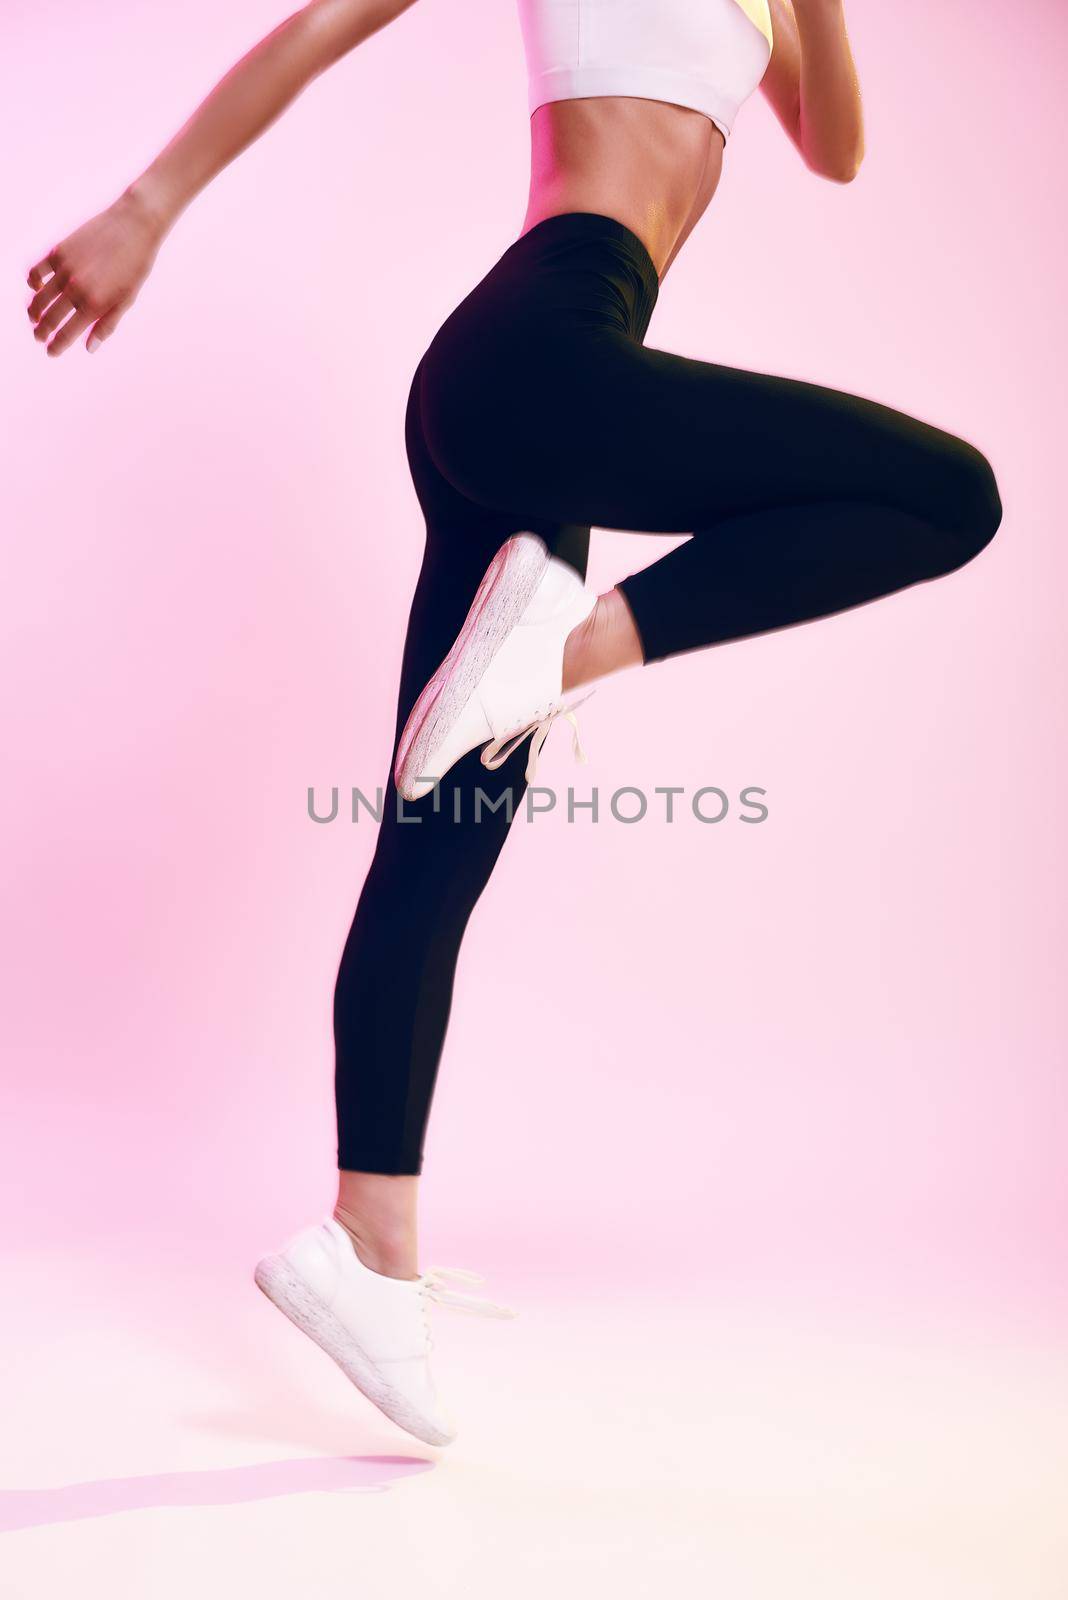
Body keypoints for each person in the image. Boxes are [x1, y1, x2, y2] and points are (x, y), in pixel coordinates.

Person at [26, 0, 1002, 1448]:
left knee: (439, 836)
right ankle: (571, 647)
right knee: (946, 492)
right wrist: (142, 210)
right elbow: (316, 29)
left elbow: (840, 150)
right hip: (536, 351)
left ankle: (367, 1251)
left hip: (534, 381)